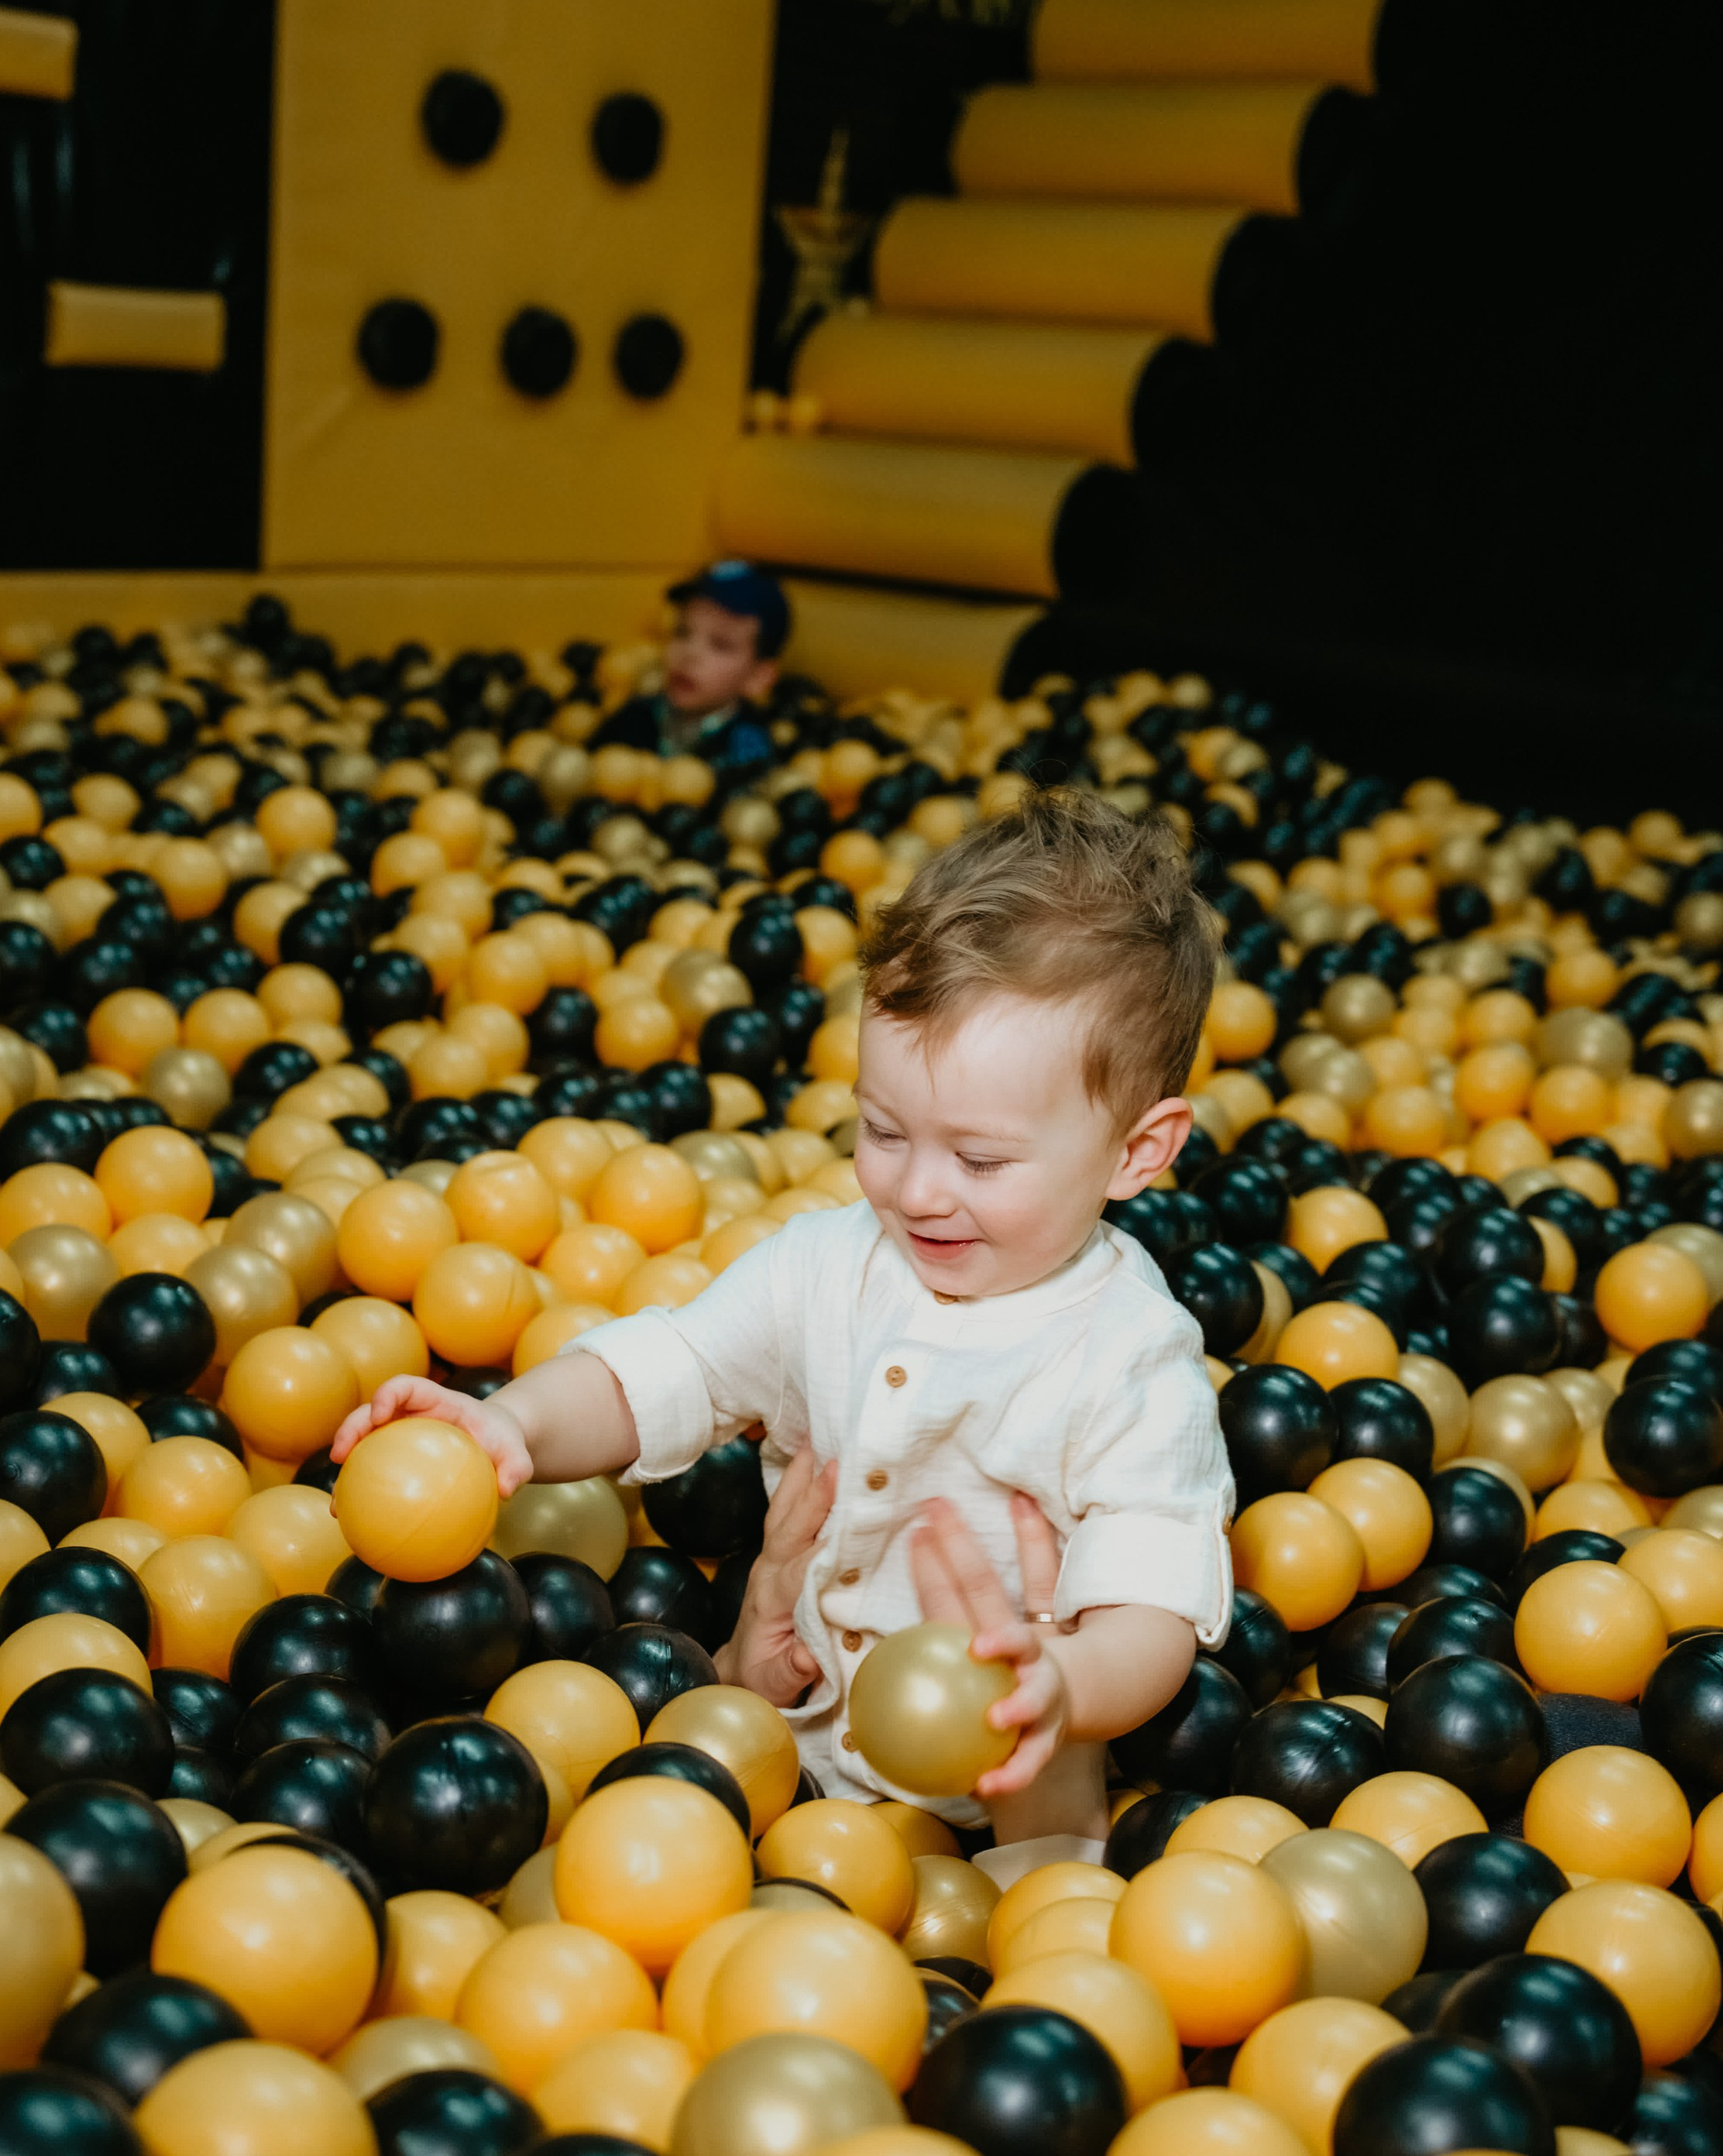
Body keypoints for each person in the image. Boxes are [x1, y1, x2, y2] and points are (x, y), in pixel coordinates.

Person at [333, 786, 1234, 1856]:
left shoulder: (1133, 1361)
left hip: (1003, 1787)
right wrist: (512, 1426)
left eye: (982, 1159)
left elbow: (1154, 1610)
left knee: (1038, 1895)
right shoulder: (826, 1265)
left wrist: (1063, 1682)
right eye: (884, 1130)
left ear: (1139, 1151)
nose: (919, 1192)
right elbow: (667, 1369)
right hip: (792, 1732)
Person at [588, 561, 788, 778]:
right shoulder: (635, 715)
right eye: (682, 632)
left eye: (720, 644)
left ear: (757, 677)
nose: (690, 654)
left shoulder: (748, 749)